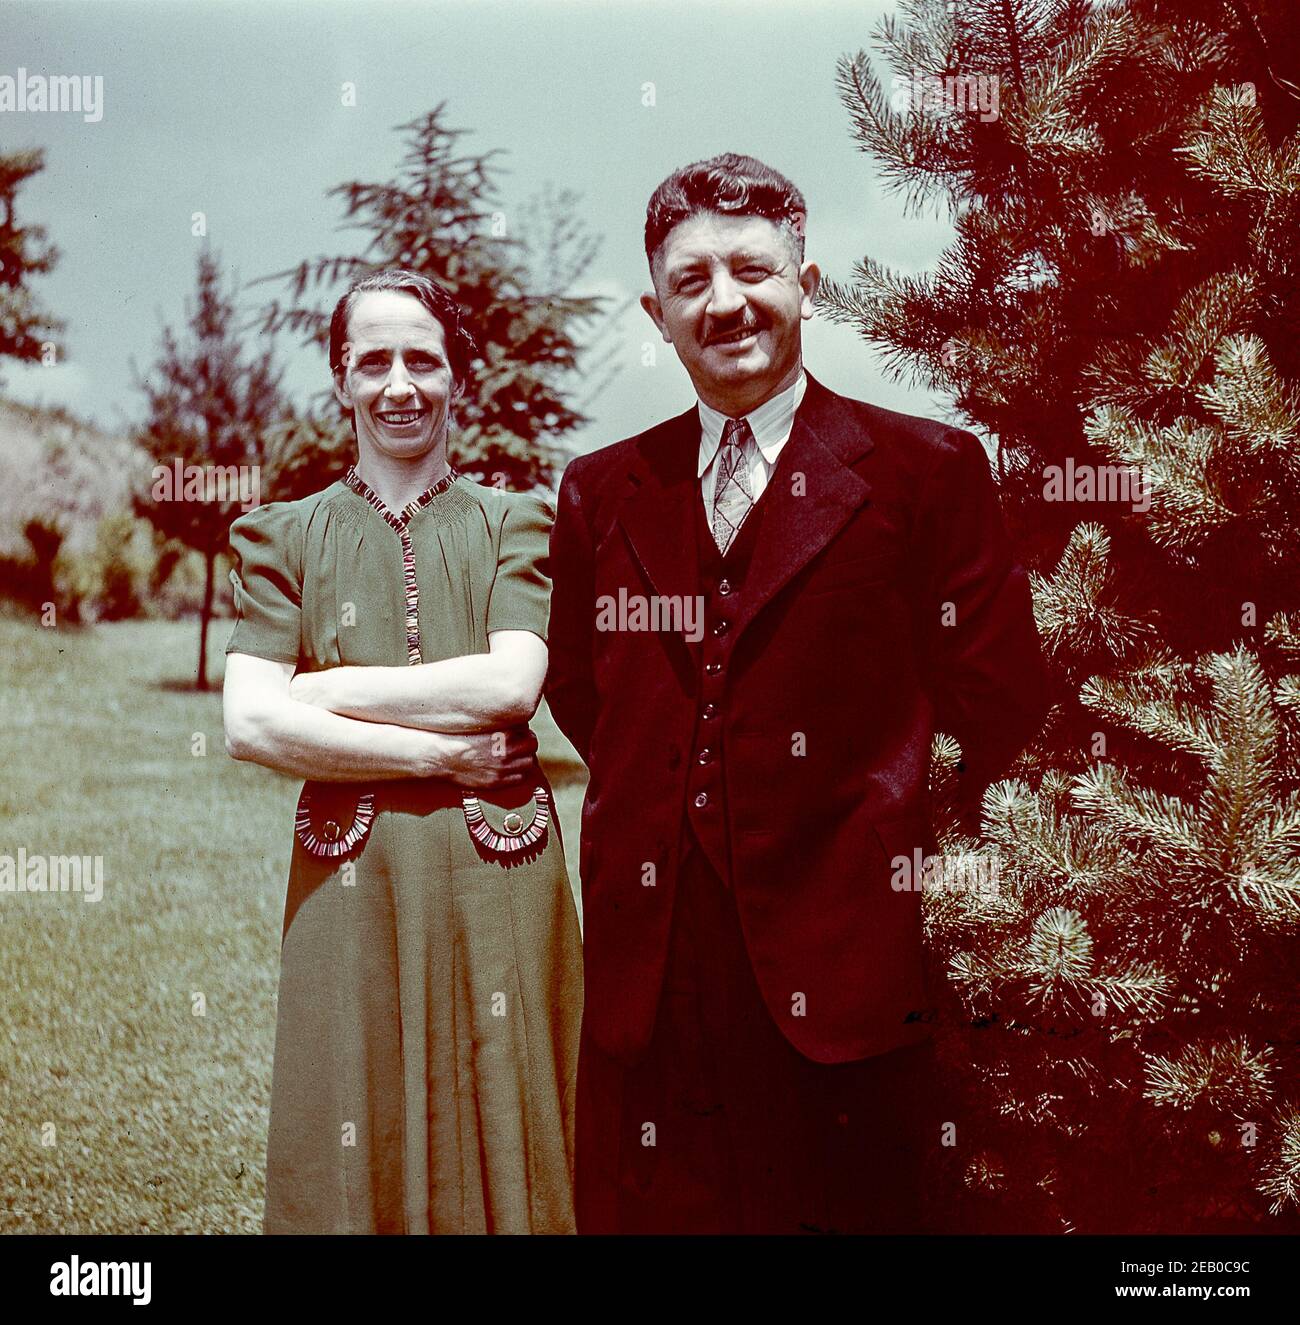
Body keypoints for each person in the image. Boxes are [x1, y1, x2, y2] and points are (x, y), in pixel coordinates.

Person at [546, 154, 1051, 1234]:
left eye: (752, 269)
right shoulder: (598, 490)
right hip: (651, 988)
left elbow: (999, 701)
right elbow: (586, 696)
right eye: (690, 282)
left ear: (807, 284)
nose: (724, 302)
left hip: (849, 983)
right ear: (656, 312)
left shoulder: (925, 472)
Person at [222, 269, 582, 1234]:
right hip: (355, 877)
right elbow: (252, 725)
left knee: (506, 1110)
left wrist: (328, 691)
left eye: (424, 359)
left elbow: (509, 687)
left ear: (458, 377)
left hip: (498, 868)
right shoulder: (282, 539)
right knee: (354, 1111)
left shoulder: (518, 521)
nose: (400, 384)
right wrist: (440, 759)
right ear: (340, 379)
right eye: (373, 360)